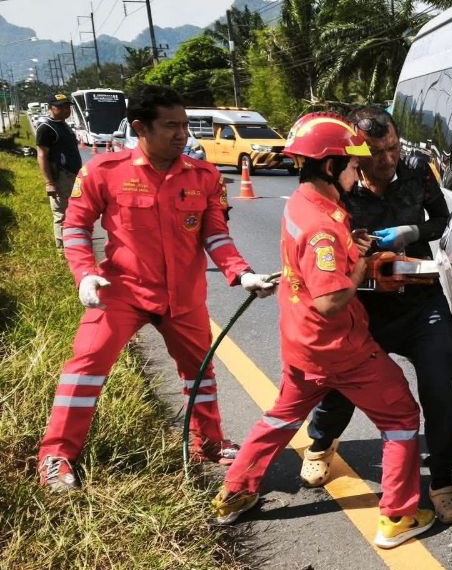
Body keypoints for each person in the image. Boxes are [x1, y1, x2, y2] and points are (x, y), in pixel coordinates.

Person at [213, 113, 436, 549]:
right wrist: (357, 264)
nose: (360, 172)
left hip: (302, 343)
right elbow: (331, 301)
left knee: (281, 415)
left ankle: (234, 492)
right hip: (341, 347)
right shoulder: (322, 227)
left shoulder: (301, 204)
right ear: (332, 167)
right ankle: (398, 516)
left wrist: (349, 244)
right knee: (402, 416)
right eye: (353, 165)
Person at [36, 85, 275, 491]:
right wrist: (84, 273)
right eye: (171, 126)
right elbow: (76, 225)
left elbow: (215, 235)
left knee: (199, 373)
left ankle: (209, 444)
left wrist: (241, 272)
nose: (182, 134)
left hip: (183, 295)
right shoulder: (104, 171)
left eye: (184, 125)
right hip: (121, 291)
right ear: (140, 128)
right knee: (86, 368)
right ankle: (56, 456)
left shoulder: (205, 176)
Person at [299, 108, 452, 524]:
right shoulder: (343, 184)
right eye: (375, 153)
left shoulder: (415, 169)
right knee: (342, 384)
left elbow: (442, 220)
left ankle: (443, 478)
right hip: (365, 306)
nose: (387, 160)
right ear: (354, 152)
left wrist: (412, 233)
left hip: (419, 298)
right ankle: (321, 443)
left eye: (392, 148)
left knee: (439, 381)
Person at [34, 93, 84, 249]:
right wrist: (49, 183)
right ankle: (62, 251)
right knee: (61, 214)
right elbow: (42, 155)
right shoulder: (46, 128)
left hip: (73, 176)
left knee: (74, 212)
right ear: (50, 108)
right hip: (60, 177)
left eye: (67, 106)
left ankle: (74, 246)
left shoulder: (63, 124)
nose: (65, 110)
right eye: (61, 107)